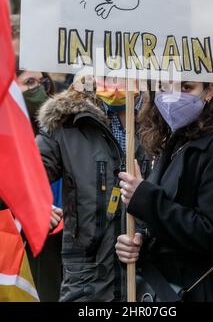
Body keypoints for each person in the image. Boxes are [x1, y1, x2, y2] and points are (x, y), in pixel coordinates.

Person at [116, 81, 213, 301]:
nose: (172, 97)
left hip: (202, 292)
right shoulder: (176, 141)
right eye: (163, 87)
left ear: (210, 90)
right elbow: (170, 224)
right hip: (164, 289)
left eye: (186, 88)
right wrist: (138, 242)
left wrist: (145, 198)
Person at [36, 73, 151, 302]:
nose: (117, 80)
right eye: (108, 72)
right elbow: (24, 175)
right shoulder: (67, 122)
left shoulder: (164, 120)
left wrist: (143, 237)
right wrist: (33, 204)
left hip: (148, 282)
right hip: (87, 285)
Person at [15, 58, 63, 301]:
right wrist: (30, 206)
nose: (39, 89)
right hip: (15, 250)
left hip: (55, 249)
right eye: (29, 82)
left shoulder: (58, 130)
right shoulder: (8, 135)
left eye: (42, 81)